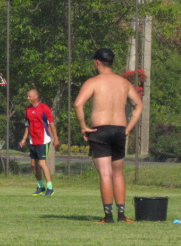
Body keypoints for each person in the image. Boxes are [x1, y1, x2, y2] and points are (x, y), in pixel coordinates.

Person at [74, 48, 142, 223]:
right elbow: (139, 106)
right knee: (118, 174)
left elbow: (78, 104)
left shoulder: (93, 82)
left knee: (105, 174)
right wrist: (128, 128)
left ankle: (108, 216)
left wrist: (83, 127)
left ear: (97, 62)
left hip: (100, 131)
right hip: (119, 130)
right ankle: (121, 215)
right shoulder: (124, 83)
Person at [19, 89, 60, 196]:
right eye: (27, 96)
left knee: (42, 163)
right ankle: (41, 186)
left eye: (29, 96)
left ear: (36, 97)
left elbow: (51, 124)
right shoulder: (28, 110)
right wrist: (24, 139)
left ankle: (50, 188)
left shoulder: (44, 109)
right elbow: (27, 126)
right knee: (33, 165)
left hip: (43, 139)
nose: (28, 98)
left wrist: (55, 138)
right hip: (33, 140)